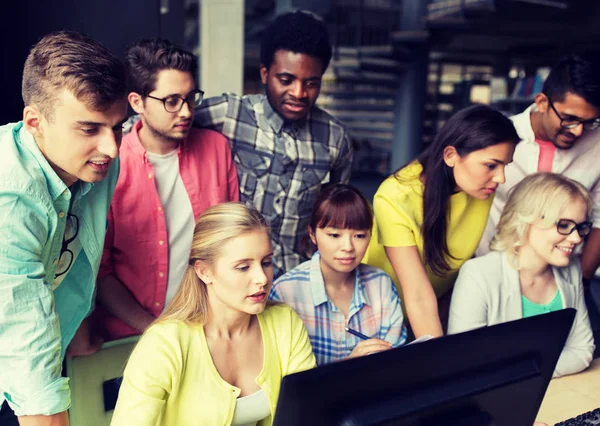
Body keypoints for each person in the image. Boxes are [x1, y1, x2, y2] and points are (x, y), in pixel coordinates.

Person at [0, 31, 127, 426]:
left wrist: (81, 320)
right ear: (35, 122)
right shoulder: (10, 200)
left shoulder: (96, 164)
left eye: (118, 127)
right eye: (89, 128)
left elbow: (72, 250)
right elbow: (24, 332)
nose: (112, 148)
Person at [110, 202, 316, 426]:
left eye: (266, 262)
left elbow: (307, 413)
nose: (262, 278)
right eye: (243, 267)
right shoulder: (164, 343)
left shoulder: (284, 322)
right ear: (204, 271)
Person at [93, 39, 239, 341]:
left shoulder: (216, 149)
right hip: (130, 340)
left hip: (206, 332)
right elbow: (99, 271)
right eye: (171, 101)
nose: (186, 111)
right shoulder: (110, 165)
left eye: (191, 97)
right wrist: (155, 331)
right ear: (136, 102)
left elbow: (232, 242)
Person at [192, 10, 353, 278]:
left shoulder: (336, 139)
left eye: (311, 83)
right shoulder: (231, 114)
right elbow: (160, 121)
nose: (299, 93)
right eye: (286, 80)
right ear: (266, 73)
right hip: (232, 281)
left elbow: (337, 219)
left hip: (298, 283)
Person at [363, 105, 520, 339]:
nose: (500, 178)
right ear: (451, 156)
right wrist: (438, 358)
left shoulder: (479, 187)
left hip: (435, 310)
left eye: (504, 166)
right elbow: (416, 293)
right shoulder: (395, 196)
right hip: (378, 317)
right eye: (491, 165)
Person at [449, 173, 595, 378]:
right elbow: (465, 363)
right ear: (527, 220)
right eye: (564, 225)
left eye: (581, 228)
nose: (576, 238)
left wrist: (526, 373)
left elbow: (582, 350)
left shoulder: (571, 270)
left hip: (557, 392)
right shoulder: (478, 275)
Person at [477, 53, 600, 285]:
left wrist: (581, 280)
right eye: (569, 119)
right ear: (542, 102)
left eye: (589, 122)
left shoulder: (598, 144)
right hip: (491, 275)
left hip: (563, 279)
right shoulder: (498, 137)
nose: (578, 132)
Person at [270, 184, 406, 366]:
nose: (348, 247)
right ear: (312, 234)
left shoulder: (381, 285)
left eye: (359, 236)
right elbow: (282, 376)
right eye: (334, 235)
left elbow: (398, 362)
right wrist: (349, 366)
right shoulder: (284, 293)